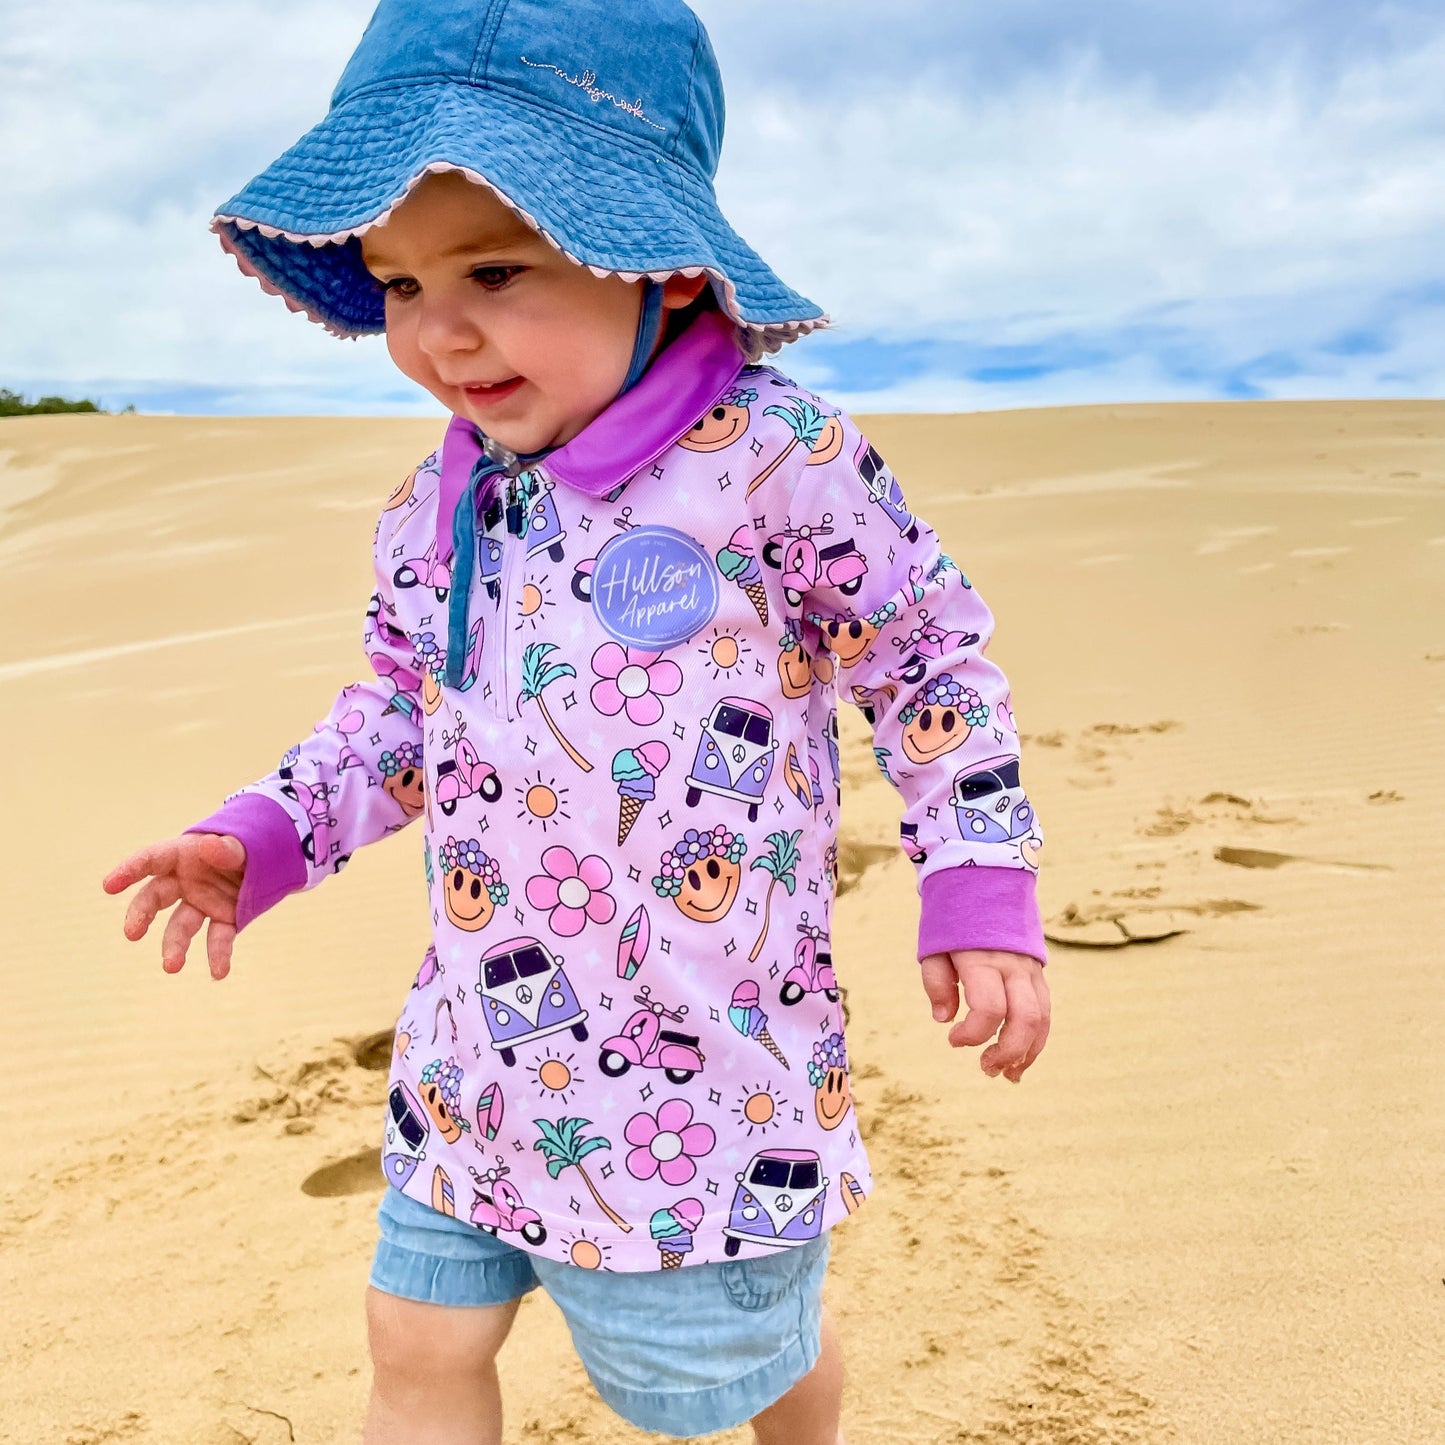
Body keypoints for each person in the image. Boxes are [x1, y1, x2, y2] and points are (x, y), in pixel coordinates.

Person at [101, 2, 1052, 1441]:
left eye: (495, 268)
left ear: (657, 264)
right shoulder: (440, 504)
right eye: (399, 283)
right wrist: (269, 833)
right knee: (413, 1338)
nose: (439, 331)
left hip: (698, 1076)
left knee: (726, 1370)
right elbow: (400, 718)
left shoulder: (774, 459)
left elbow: (927, 666)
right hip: (475, 1047)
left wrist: (976, 878)